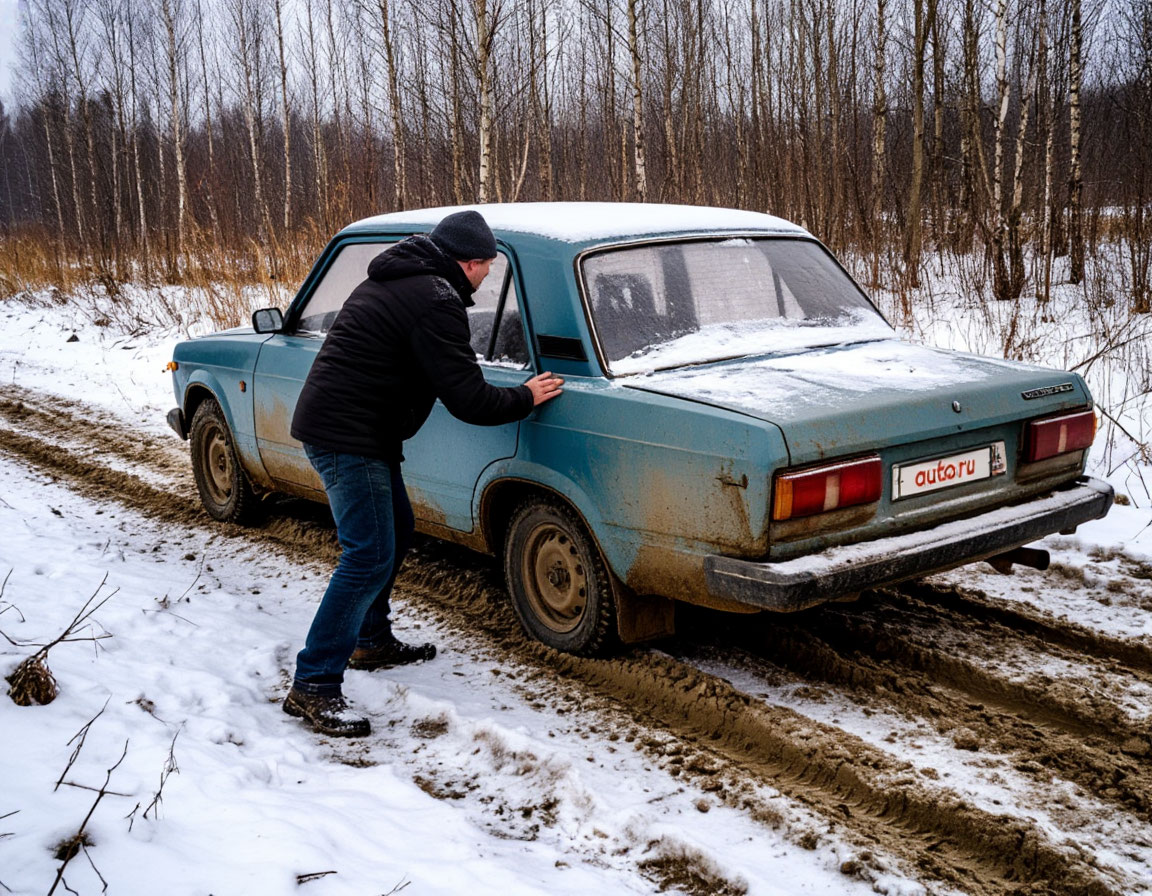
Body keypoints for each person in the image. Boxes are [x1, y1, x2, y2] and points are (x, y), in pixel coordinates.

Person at [283, 210, 563, 737]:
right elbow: (468, 398)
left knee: (397, 528)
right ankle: (313, 685)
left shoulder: (403, 277)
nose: (486, 278)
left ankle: (370, 638)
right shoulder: (435, 299)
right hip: (350, 436)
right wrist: (526, 395)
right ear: (470, 261)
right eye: (486, 267)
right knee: (366, 554)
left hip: (357, 429)